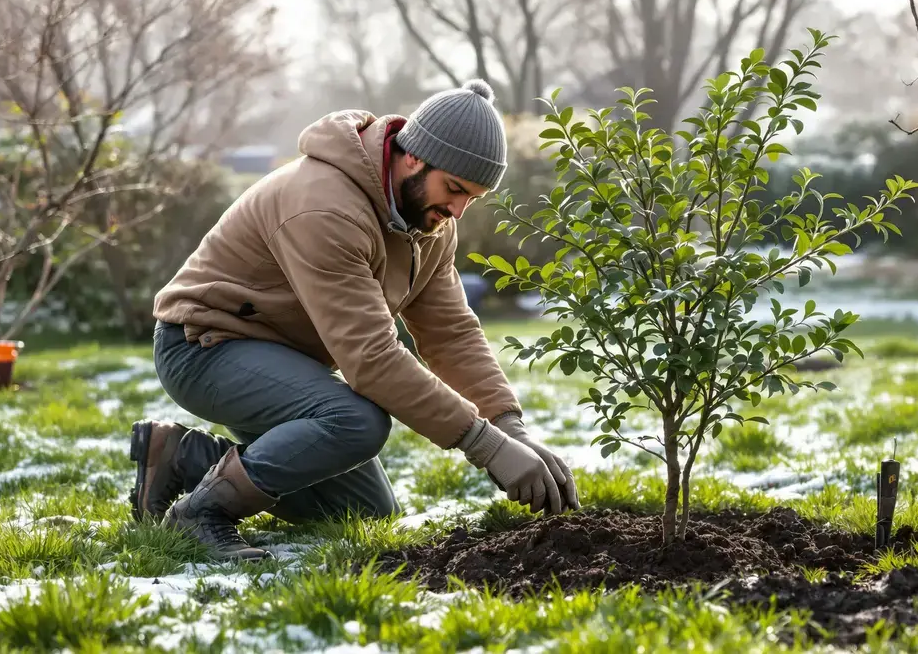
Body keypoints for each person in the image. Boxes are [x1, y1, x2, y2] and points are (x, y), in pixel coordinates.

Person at [130, 79, 580, 562]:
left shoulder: (429, 223)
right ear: (414, 156)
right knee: (358, 422)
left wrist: (511, 427)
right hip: (203, 345)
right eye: (454, 189)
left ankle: (182, 456)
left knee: (364, 509)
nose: (457, 210)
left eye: (472, 197)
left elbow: (450, 333)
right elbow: (371, 360)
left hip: (282, 358)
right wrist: (485, 445)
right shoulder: (323, 205)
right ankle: (203, 512)